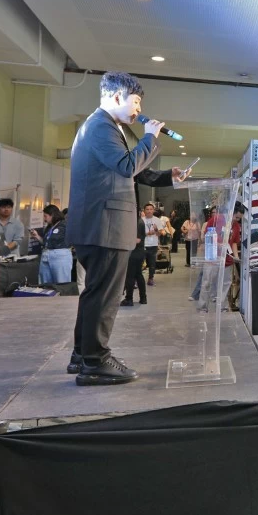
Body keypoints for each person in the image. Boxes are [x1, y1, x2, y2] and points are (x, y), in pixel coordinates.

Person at [65, 72, 189, 386]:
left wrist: (168, 176)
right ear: (118, 96)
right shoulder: (101, 126)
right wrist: (150, 137)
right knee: (105, 296)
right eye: (136, 102)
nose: (138, 110)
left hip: (99, 225)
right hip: (104, 226)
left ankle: (82, 355)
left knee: (95, 293)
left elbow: (131, 171)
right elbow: (127, 166)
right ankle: (96, 361)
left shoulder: (104, 127)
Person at [33, 205, 72, 284]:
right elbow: (46, 243)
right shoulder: (49, 227)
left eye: (45, 216)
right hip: (46, 254)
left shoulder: (64, 225)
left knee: (61, 282)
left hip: (59, 255)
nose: (44, 219)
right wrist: (37, 236)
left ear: (53, 215)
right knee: (45, 283)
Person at [227, 203, 245, 312]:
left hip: (228, 259)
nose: (237, 220)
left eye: (239, 218)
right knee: (208, 282)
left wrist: (236, 256)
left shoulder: (236, 226)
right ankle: (203, 306)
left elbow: (234, 242)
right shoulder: (221, 222)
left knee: (227, 283)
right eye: (236, 217)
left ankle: (225, 305)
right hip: (215, 258)